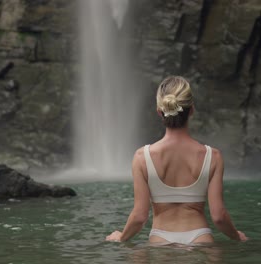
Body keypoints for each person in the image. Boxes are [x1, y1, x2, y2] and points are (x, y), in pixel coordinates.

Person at [105, 76, 248, 245]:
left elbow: (139, 216)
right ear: (192, 110)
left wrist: (121, 237)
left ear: (159, 111)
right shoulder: (213, 157)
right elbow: (219, 217)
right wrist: (236, 236)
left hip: (160, 239)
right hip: (200, 237)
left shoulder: (142, 157)